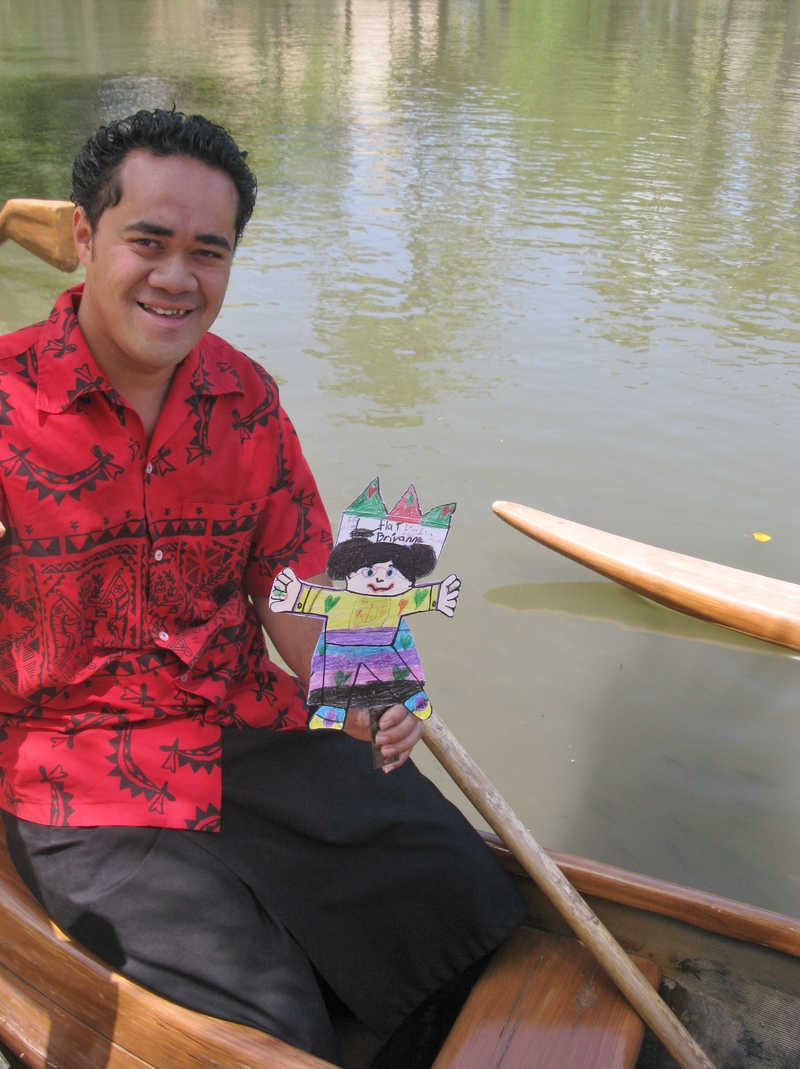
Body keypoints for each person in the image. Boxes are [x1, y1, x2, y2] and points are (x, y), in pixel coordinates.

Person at [0, 110, 525, 1067]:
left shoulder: (246, 399)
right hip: (79, 772)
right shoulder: (7, 402)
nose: (176, 276)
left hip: (244, 726)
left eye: (208, 251)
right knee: (267, 1015)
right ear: (84, 235)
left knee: (461, 891)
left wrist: (361, 683)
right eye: (148, 241)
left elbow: (293, 583)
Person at [270, 534, 460, 730]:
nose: (380, 578)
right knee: (335, 682)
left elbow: (421, 597)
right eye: (369, 572)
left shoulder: (399, 601)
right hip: (340, 653)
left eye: (390, 572)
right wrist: (292, 594)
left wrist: (441, 595)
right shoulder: (338, 600)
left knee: (399, 673)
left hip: (384, 649)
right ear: (349, 574)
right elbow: (313, 599)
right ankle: (332, 712)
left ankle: (413, 697)